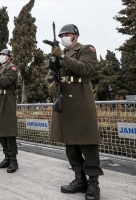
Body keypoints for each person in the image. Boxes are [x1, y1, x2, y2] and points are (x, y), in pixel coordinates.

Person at [48, 24, 103, 200]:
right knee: (70, 144)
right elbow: (52, 73)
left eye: (67, 34)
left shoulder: (86, 49)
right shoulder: (58, 54)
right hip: (63, 101)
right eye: (62, 35)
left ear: (76, 37)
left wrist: (62, 55)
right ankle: (79, 179)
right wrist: (50, 82)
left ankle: (93, 182)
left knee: (87, 141)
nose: (64, 37)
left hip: (80, 100)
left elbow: (85, 69)